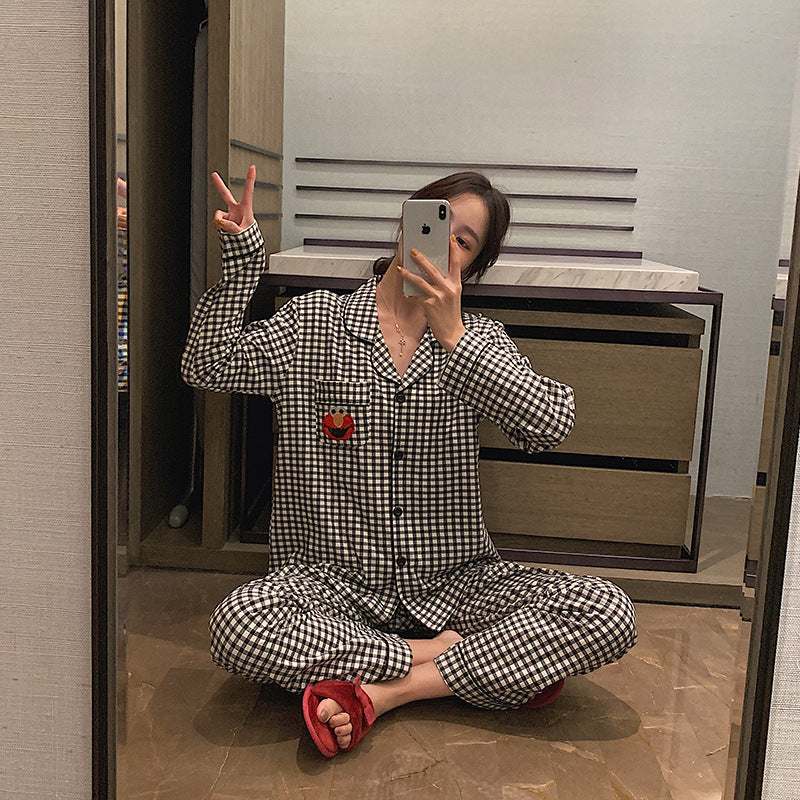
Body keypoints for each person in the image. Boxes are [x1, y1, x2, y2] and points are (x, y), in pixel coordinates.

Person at [181, 165, 637, 758]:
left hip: (458, 587)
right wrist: (244, 261)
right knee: (240, 623)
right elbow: (207, 365)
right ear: (408, 219)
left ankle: (384, 692)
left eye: (464, 241)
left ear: (472, 266)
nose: (444, 244)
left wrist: (456, 339)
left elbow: (550, 426)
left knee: (606, 611)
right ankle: (461, 667)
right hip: (330, 591)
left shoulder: (480, 341)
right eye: (438, 222)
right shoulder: (315, 322)